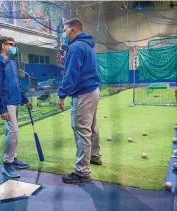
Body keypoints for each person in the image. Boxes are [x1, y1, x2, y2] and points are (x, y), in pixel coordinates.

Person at [57, 18, 101, 184]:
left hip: (83, 93)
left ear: (73, 30)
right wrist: (65, 60)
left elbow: (71, 75)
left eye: (65, 30)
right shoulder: (86, 45)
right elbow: (78, 67)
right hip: (93, 90)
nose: (63, 33)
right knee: (91, 127)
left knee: (81, 130)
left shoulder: (75, 47)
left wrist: (62, 95)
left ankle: (82, 172)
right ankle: (95, 156)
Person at [0, 36, 32, 178]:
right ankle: (7, 164)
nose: (14, 47)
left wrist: (25, 99)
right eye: (11, 44)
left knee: (12, 132)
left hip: (16, 100)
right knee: (14, 132)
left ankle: (13, 158)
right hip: (7, 102)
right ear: (3, 46)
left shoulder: (13, 64)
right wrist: (2, 109)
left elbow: (16, 84)